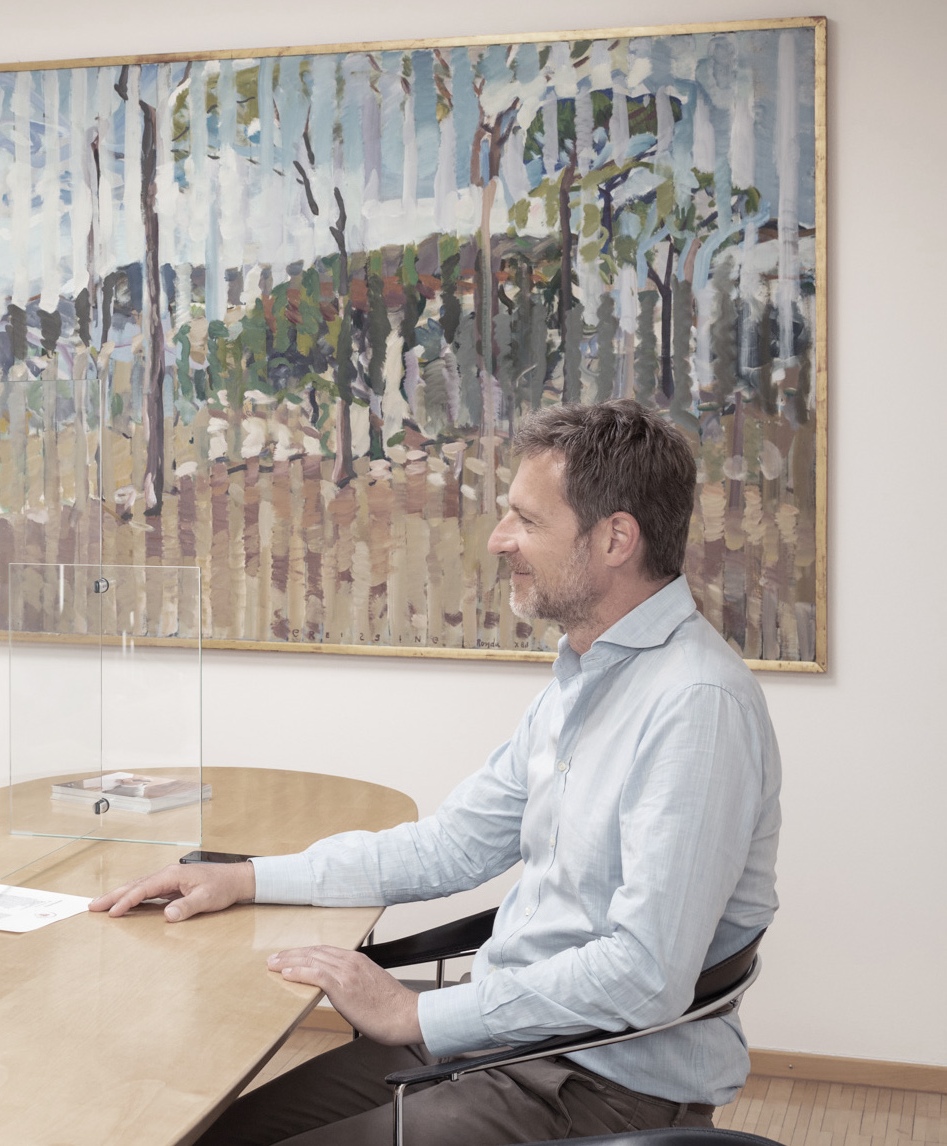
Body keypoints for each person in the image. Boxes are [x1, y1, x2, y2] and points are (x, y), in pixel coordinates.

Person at [91, 400, 782, 1146]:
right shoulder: (586, 678)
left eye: (527, 519)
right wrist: (247, 877)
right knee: (215, 1134)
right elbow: (449, 847)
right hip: (506, 1041)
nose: (499, 539)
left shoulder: (696, 705)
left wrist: (418, 1014)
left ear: (616, 538)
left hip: (595, 1084)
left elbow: (644, 973)